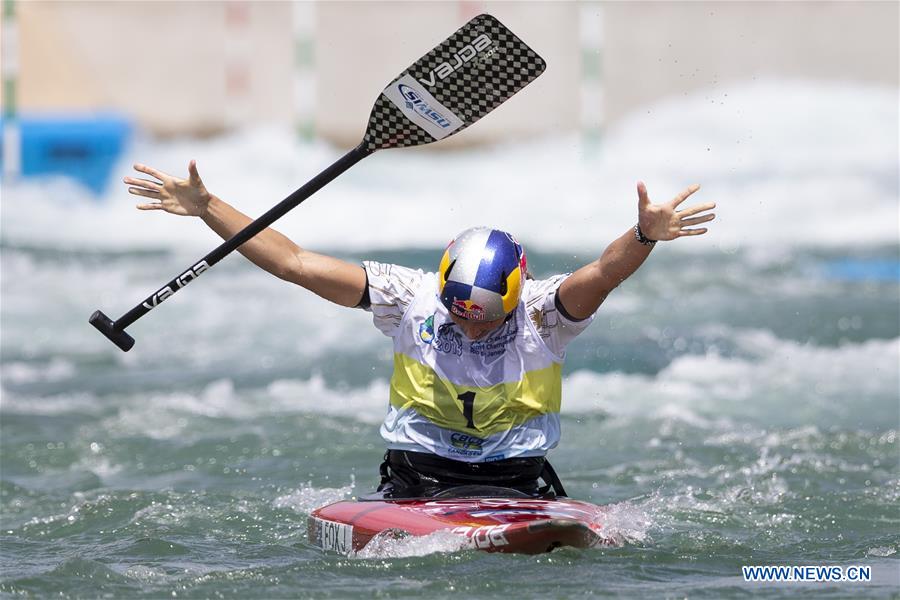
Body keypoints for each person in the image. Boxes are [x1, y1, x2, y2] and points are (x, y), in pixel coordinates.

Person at [124, 160, 716, 498]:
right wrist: (210, 208)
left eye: (485, 317)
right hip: (420, 472)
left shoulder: (544, 312)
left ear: (514, 295)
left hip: (519, 477)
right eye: (460, 312)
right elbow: (294, 263)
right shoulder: (407, 297)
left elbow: (603, 273)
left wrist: (643, 237)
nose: (471, 326)